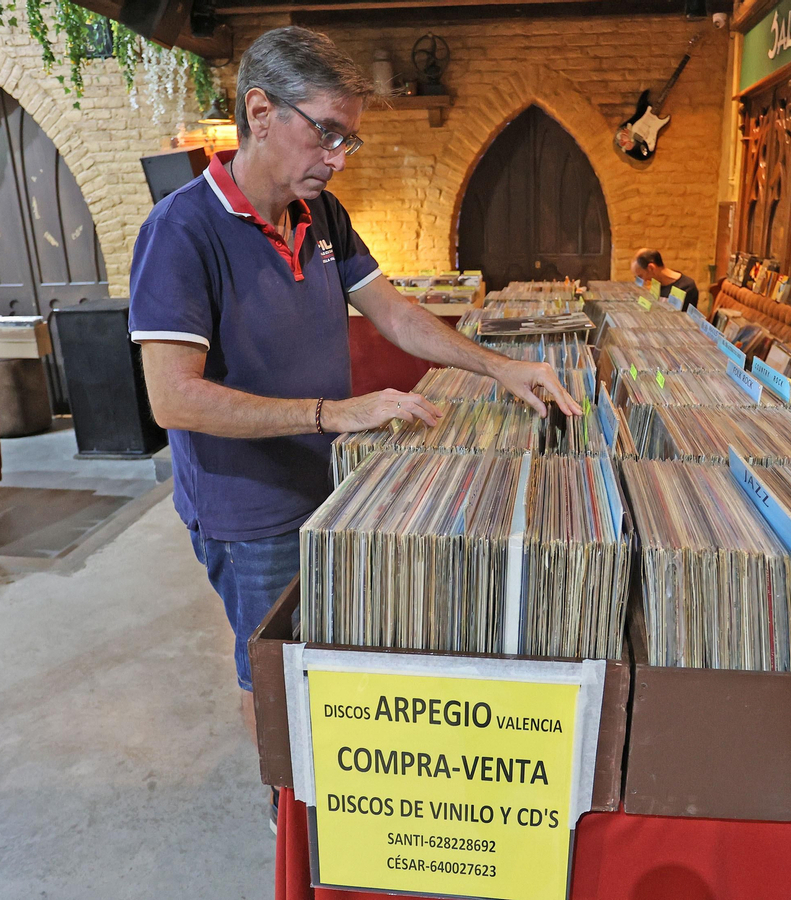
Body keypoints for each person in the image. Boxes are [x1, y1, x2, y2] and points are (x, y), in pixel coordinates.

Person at [128, 26, 579, 821]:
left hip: (331, 488)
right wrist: (336, 413)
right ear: (259, 112)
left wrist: (498, 367)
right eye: (326, 132)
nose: (337, 157)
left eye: (349, 139)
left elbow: (396, 315)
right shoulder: (181, 229)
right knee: (267, 672)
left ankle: (327, 797)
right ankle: (289, 816)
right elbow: (175, 399)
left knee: (327, 658)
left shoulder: (321, 213)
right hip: (249, 511)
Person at [631, 248, 700, 313]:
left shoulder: (686, 287)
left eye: (641, 276)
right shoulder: (654, 285)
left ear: (651, 268)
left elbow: (688, 321)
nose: (643, 280)